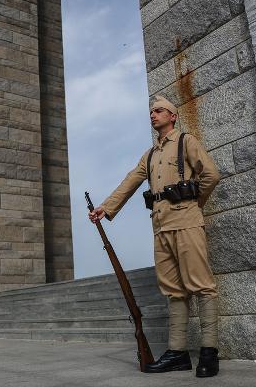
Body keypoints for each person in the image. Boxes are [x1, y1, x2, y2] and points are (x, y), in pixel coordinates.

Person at [88, 95, 221, 377]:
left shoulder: (186, 141)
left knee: (202, 286)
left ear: (172, 116)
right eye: (151, 111)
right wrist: (106, 208)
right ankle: (177, 353)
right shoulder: (149, 155)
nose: (153, 115)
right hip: (160, 226)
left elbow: (210, 175)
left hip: (186, 223)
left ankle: (209, 352)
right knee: (174, 291)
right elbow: (130, 181)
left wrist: (194, 205)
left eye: (159, 111)